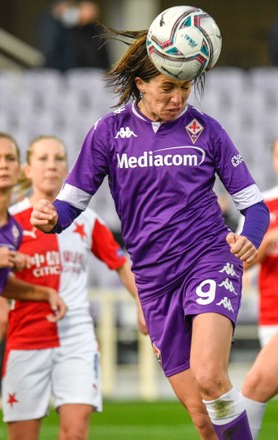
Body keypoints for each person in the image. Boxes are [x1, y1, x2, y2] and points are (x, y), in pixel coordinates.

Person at [30, 27, 270, 440]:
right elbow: (70, 206)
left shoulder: (207, 131)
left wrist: (247, 237)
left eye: (185, 87)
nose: (178, 98)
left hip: (208, 260)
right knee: (202, 417)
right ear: (141, 83)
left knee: (211, 376)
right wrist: (50, 217)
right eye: (167, 88)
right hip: (154, 283)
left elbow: (254, 207)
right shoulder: (107, 133)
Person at [1, 135, 146, 440]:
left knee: (75, 433)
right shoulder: (10, 223)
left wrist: (143, 305)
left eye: (58, 158)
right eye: (42, 159)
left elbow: (121, 265)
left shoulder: (86, 220)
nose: (51, 166)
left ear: (67, 168)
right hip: (26, 337)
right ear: (27, 170)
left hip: (76, 338)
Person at [0, 132, 66, 416]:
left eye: (9, 158)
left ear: (20, 168)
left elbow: (2, 284)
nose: (3, 165)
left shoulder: (13, 229)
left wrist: (46, 294)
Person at [240, 138, 278, 439]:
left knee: (253, 388)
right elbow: (241, 263)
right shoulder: (262, 207)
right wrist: (266, 243)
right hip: (270, 314)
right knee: (256, 388)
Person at [36, 0, 110, 72]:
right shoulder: (52, 24)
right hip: (62, 72)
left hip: (91, 72)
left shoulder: (94, 29)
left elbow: (103, 56)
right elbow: (51, 50)